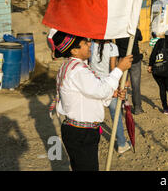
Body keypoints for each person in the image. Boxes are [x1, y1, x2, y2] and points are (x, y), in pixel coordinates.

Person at [49, 31, 132, 171]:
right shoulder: (78, 70)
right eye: (84, 43)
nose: (89, 44)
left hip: (79, 131)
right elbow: (100, 91)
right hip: (81, 133)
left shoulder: (70, 66)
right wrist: (119, 69)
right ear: (74, 51)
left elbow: (89, 95)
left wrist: (113, 94)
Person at [89, 39, 131, 154]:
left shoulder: (90, 45)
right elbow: (113, 69)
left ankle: (92, 144)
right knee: (115, 115)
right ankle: (122, 143)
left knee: (93, 117)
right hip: (109, 85)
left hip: (94, 84)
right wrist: (121, 82)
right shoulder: (112, 47)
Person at [116, 28, 144, 115]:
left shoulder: (119, 30)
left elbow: (117, 44)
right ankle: (137, 108)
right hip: (134, 59)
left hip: (123, 60)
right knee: (135, 85)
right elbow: (140, 38)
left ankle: (122, 105)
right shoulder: (135, 29)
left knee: (122, 84)